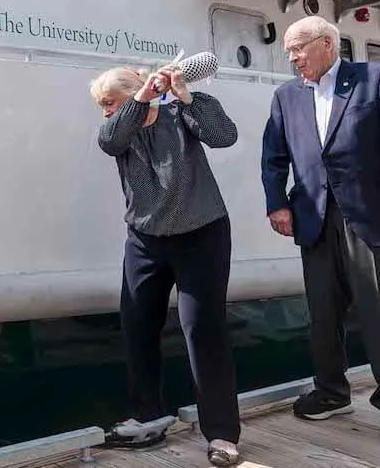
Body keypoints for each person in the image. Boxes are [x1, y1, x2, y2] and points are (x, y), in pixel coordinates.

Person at [260, 15, 380, 445]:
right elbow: (273, 155)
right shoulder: (285, 96)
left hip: (373, 216)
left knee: (379, 314)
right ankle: (331, 392)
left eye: (298, 48)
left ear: (327, 44)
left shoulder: (376, 79)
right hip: (314, 216)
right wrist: (276, 201)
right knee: (323, 312)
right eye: (289, 51)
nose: (292, 57)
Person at [90, 64, 242, 467]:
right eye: (101, 105)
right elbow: (108, 139)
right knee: (137, 323)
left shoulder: (181, 114)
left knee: (202, 329)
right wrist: (141, 99)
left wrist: (184, 94)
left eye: (109, 103)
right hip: (144, 238)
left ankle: (222, 433)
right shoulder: (119, 131)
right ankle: (148, 412)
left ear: (128, 94)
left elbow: (225, 136)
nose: (104, 112)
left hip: (201, 233)